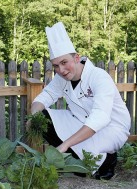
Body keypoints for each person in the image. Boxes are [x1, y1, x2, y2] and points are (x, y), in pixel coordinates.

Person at [30, 22, 131, 180]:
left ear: (77, 58)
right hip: (80, 121)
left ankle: (108, 160)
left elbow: (100, 118)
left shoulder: (99, 76)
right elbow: (45, 96)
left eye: (64, 63)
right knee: (42, 119)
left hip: (112, 128)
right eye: (56, 66)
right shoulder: (61, 78)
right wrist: (34, 117)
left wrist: (65, 144)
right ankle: (82, 162)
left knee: (79, 150)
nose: (61, 70)